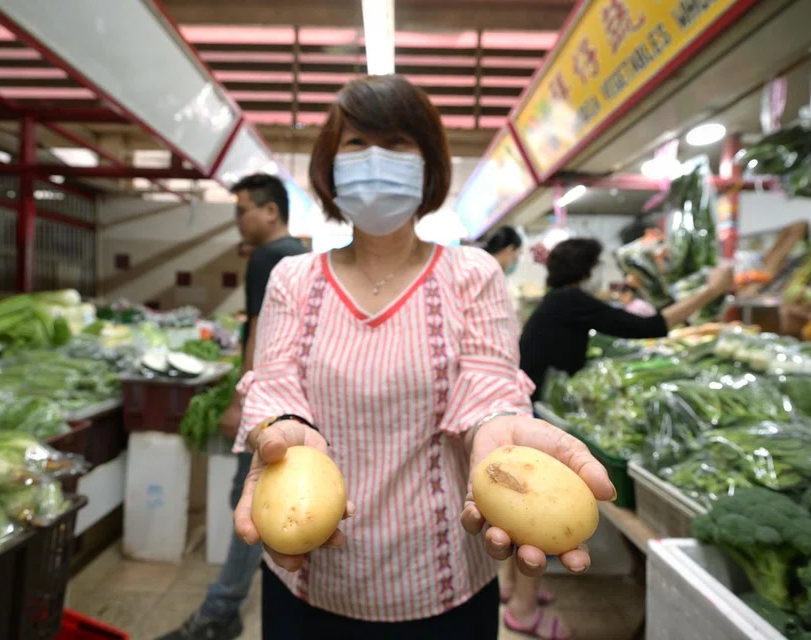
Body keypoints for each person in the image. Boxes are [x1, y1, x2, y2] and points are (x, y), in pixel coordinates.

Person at [229, 75, 614, 640]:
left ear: (430, 165)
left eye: (399, 143)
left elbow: (490, 382)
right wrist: (283, 427)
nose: (376, 159)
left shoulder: (472, 274)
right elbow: (275, 381)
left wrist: (498, 426)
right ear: (329, 167)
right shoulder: (294, 278)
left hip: (442, 580)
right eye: (357, 143)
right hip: (312, 574)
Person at [159, 173, 307, 640]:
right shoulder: (301, 256)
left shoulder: (268, 256)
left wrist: (243, 402)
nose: (237, 220)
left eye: (242, 209)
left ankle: (220, 609)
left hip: (268, 400)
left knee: (251, 500)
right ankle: (232, 603)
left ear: (270, 211)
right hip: (294, 398)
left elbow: (263, 332)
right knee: (253, 496)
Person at [520, 238, 733, 397]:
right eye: (597, 265)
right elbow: (648, 327)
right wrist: (711, 291)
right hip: (541, 398)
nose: (600, 271)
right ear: (583, 269)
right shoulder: (570, 300)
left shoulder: (558, 299)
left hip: (537, 392)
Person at [482, 229, 564, 638]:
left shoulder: (484, 276)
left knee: (512, 505)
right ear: (511, 250)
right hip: (506, 405)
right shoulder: (487, 275)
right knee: (525, 506)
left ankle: (512, 589)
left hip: (503, 405)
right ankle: (522, 606)